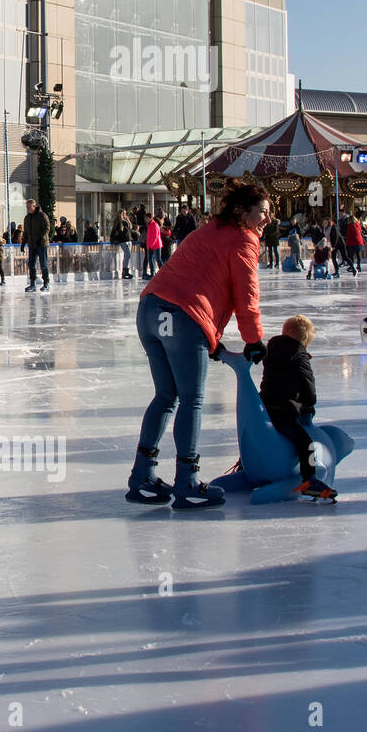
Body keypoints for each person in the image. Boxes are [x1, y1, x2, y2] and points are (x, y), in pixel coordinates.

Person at [125, 179, 269, 510]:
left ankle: (142, 477)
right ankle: (187, 482)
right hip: (183, 316)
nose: (267, 219)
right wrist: (255, 341)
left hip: (149, 310)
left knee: (165, 396)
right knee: (191, 400)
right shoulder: (243, 240)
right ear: (240, 212)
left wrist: (211, 341)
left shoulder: (206, 230)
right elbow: (247, 298)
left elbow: (197, 277)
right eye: (261, 212)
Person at [260, 315, 332, 498]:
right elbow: (308, 387)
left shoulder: (271, 350)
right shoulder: (299, 355)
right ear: (305, 340)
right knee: (305, 443)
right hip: (285, 412)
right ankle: (310, 480)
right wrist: (309, 405)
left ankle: (245, 465)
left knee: (262, 436)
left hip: (265, 409)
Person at [22, 197, 51, 291]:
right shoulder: (27, 218)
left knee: (43, 264)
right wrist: (23, 243)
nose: (28, 209)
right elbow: (26, 232)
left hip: (41, 245)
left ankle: (46, 283)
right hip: (32, 245)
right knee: (31, 265)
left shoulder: (42, 215)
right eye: (26, 207)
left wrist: (41, 239)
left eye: (29, 207)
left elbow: (47, 228)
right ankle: (32, 284)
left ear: (34, 206)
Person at [111, 210, 134, 278]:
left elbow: (130, 227)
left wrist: (128, 220)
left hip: (128, 239)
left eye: (125, 213)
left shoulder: (125, 221)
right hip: (123, 240)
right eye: (123, 213)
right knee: (128, 255)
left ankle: (126, 270)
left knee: (127, 256)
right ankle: (124, 271)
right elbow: (115, 231)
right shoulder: (118, 222)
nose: (125, 215)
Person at [142, 212, 163, 278]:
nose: (146, 220)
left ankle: (163, 272)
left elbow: (155, 236)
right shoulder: (149, 225)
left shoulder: (154, 225)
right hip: (150, 246)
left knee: (158, 259)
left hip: (156, 245)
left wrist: (151, 245)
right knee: (150, 259)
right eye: (145, 218)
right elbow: (149, 236)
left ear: (150, 218)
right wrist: (148, 245)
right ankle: (152, 273)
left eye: (147, 218)